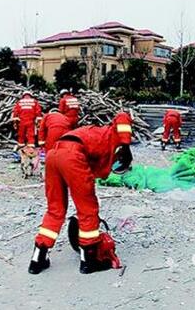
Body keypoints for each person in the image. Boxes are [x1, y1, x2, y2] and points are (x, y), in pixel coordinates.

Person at [29, 112, 133, 275]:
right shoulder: (114, 135)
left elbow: (91, 169)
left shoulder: (96, 136)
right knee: (88, 210)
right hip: (72, 155)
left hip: (53, 155)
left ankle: (38, 259)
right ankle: (89, 261)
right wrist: (126, 145)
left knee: (55, 209)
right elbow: (122, 116)